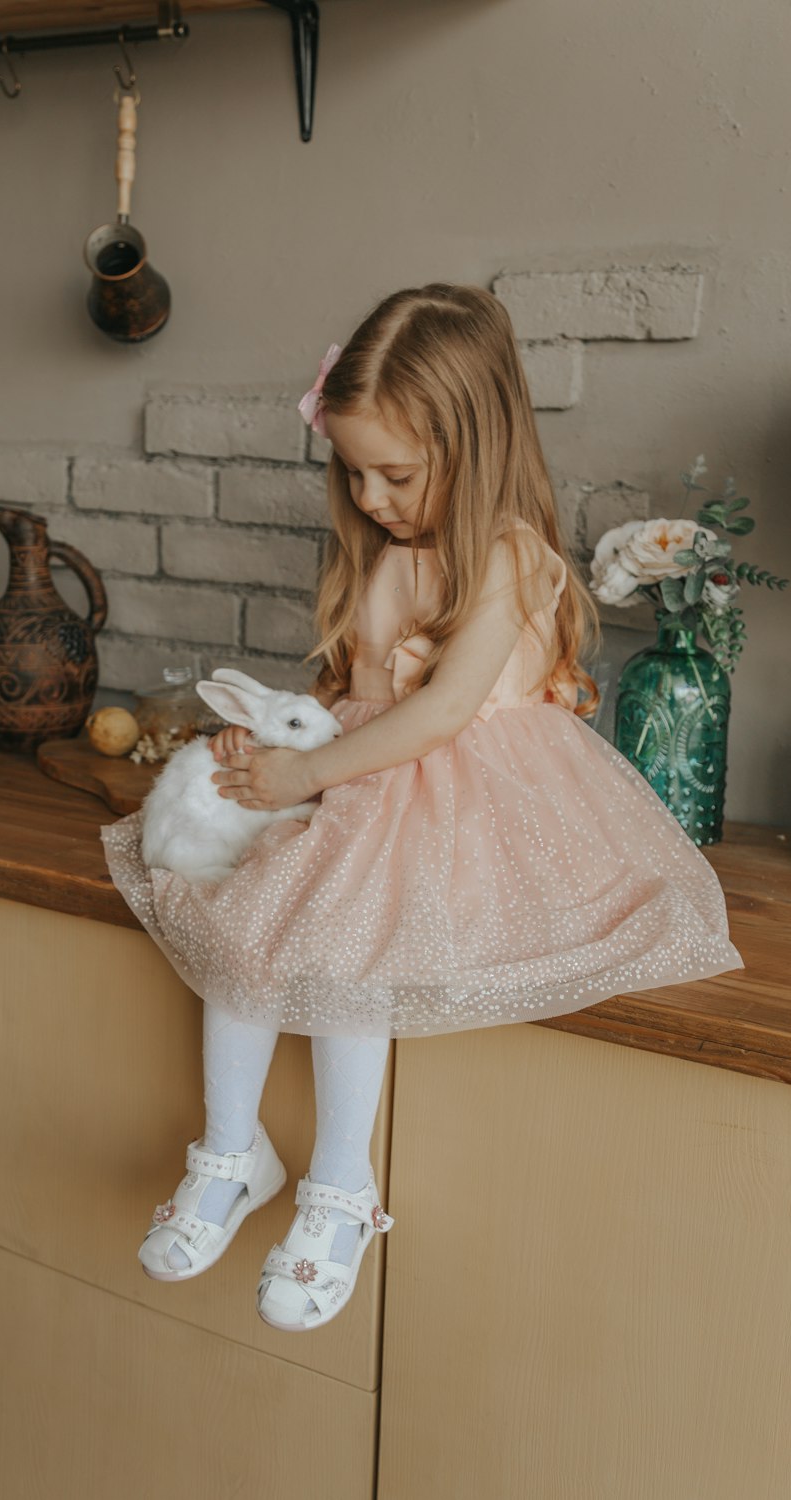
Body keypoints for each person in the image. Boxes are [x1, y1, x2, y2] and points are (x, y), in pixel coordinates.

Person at [100, 282, 744, 1333]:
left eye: (394, 474)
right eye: (353, 473)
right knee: (241, 939)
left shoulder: (505, 556)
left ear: (473, 442)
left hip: (463, 805)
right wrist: (273, 734)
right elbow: (353, 698)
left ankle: (340, 1193)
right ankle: (229, 1153)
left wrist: (312, 776)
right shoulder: (383, 559)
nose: (370, 497)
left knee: (354, 963)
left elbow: (442, 711)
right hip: (353, 783)